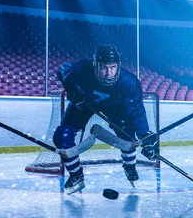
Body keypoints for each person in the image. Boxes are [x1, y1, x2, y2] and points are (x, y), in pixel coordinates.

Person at [54, 44, 158, 194]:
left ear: (118, 66)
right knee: (62, 136)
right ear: (95, 65)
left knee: (127, 134)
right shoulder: (81, 69)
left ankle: (129, 166)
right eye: (103, 67)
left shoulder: (129, 83)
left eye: (112, 67)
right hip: (84, 104)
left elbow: (137, 110)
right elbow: (62, 71)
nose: (108, 72)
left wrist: (144, 135)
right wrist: (72, 93)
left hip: (116, 107)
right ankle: (76, 175)